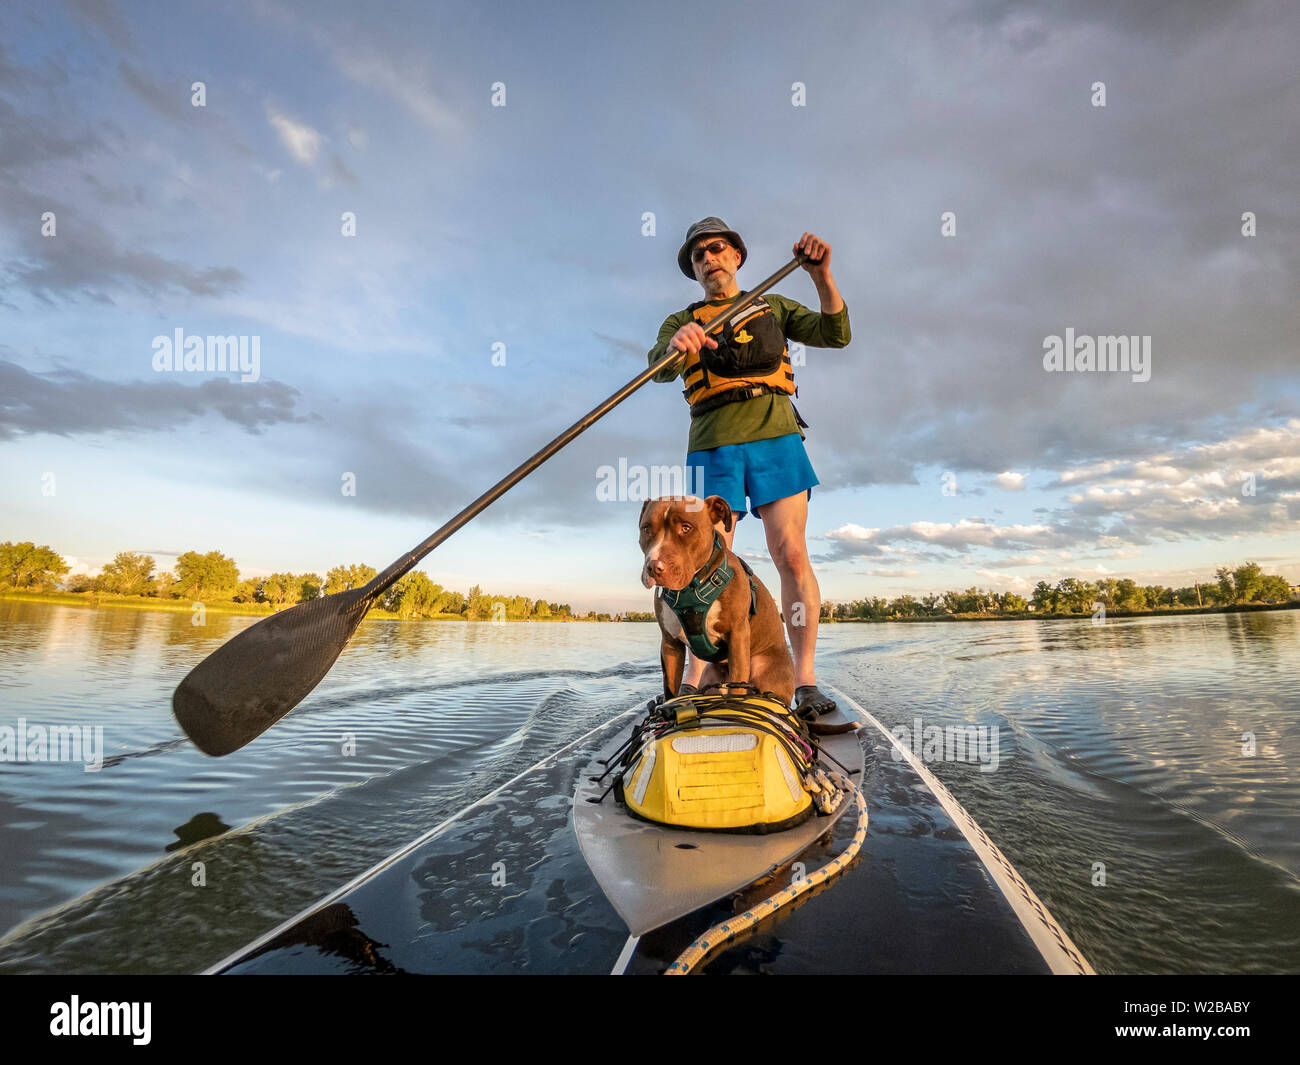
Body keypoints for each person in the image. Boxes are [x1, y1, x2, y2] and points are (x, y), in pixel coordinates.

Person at [645, 216, 850, 717]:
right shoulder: (682, 320)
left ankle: (803, 681)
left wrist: (821, 276)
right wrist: (678, 346)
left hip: (776, 436)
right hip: (713, 441)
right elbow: (658, 368)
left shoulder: (773, 304)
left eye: (717, 248)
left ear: (736, 255)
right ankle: (695, 682)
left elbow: (835, 333)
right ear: (694, 270)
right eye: (698, 255)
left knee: (791, 554)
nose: (708, 257)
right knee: (703, 561)